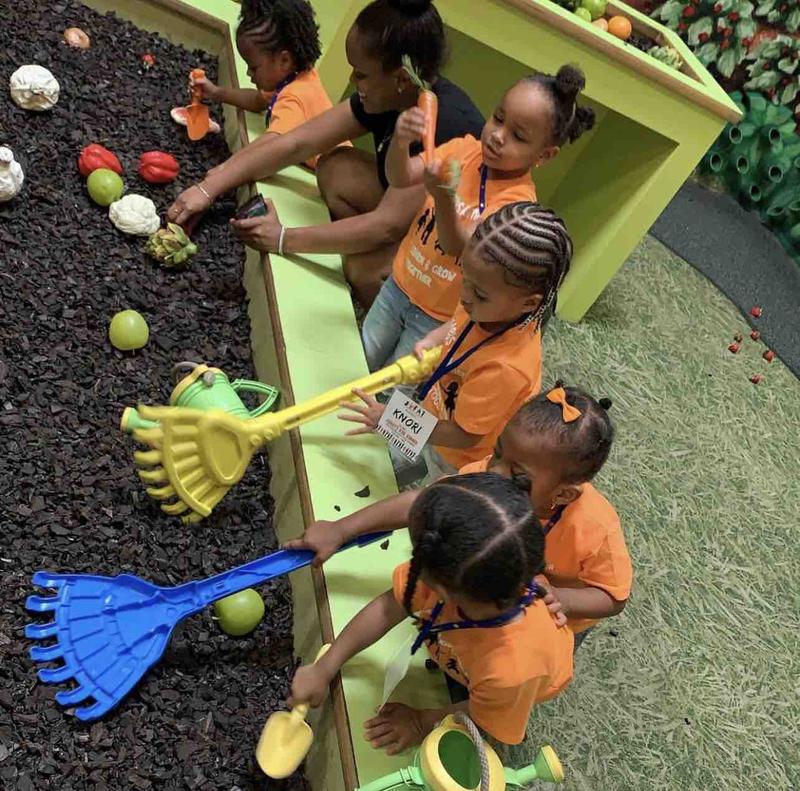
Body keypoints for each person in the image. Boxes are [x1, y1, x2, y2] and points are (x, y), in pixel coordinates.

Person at [167, 0, 484, 308]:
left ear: (400, 78)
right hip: (411, 211)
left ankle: (396, 311)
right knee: (335, 167)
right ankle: (359, 247)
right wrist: (210, 186)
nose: (352, 83)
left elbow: (385, 224)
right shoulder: (394, 92)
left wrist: (283, 238)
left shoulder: (444, 125)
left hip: (451, 252)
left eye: (360, 74)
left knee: (363, 271)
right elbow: (298, 143)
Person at [285, 383, 632, 641]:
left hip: (549, 615)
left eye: (518, 476)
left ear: (564, 493)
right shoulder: (491, 477)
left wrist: (563, 599)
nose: (493, 473)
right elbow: (426, 500)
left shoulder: (596, 529)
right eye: (497, 454)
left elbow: (613, 597)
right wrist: (342, 529)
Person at [288, 473, 574, 753]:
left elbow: (482, 714)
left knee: (489, 696)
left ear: (443, 592)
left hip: (516, 687)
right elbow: (389, 607)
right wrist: (325, 667)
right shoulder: (466, 575)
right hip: (472, 658)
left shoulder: (511, 671)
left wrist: (422, 721)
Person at [363, 65, 595, 371]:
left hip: (439, 315)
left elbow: (457, 245)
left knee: (394, 391)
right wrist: (400, 142)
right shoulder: (462, 149)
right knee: (359, 359)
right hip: (399, 285)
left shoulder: (517, 206)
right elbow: (399, 175)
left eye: (518, 136)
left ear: (544, 155)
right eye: (498, 118)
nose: (498, 136)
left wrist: (444, 198)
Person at [340, 201, 573, 478]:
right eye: (465, 278)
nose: (464, 296)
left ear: (528, 304)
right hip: (432, 415)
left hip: (458, 457)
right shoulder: (483, 303)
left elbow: (465, 436)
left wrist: (391, 420)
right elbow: (457, 323)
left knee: (430, 493)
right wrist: (434, 339)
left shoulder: (506, 368)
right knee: (396, 467)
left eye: (480, 293)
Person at [189, 0, 334, 170]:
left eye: (253, 67)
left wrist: (223, 171)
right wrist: (216, 92)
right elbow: (258, 101)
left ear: (284, 60)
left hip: (331, 172)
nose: (249, 74)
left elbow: (273, 148)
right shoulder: (295, 76)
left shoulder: (294, 97)